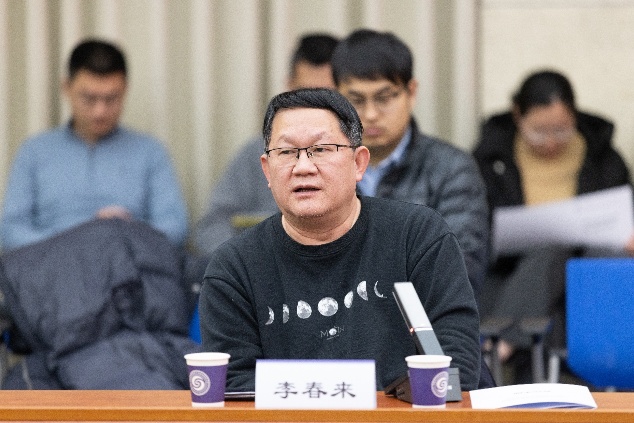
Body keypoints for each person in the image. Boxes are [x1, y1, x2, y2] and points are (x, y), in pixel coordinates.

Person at [199, 88, 481, 392]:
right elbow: (234, 386)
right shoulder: (235, 267)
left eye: (321, 149)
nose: (303, 167)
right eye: (287, 152)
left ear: (359, 163)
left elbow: (455, 367)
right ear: (267, 170)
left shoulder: (416, 237)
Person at [473, 69, 632, 381]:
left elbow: (622, 213)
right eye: (538, 132)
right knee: (551, 256)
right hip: (510, 272)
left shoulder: (603, 158)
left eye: (561, 131)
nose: (549, 143)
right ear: (517, 116)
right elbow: (475, 224)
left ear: (574, 116)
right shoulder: (490, 158)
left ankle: (500, 344)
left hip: (584, 272)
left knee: (567, 261)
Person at [330, 29, 489, 298]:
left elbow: (458, 272)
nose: (371, 114)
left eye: (384, 98)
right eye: (356, 100)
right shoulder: (321, 167)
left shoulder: (452, 169)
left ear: (411, 92)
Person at [1, 39, 188, 250]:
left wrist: (127, 232)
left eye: (111, 99)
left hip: (129, 261)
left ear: (125, 90)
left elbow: (175, 228)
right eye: (89, 99)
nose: (100, 111)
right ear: (67, 88)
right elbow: (11, 231)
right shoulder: (34, 152)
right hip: (54, 263)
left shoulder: (150, 152)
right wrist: (81, 237)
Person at [193, 33, 339, 256]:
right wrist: (254, 262)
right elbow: (210, 229)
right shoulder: (256, 153)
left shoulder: (359, 154)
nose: (313, 108)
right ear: (288, 87)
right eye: (303, 94)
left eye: (326, 97)